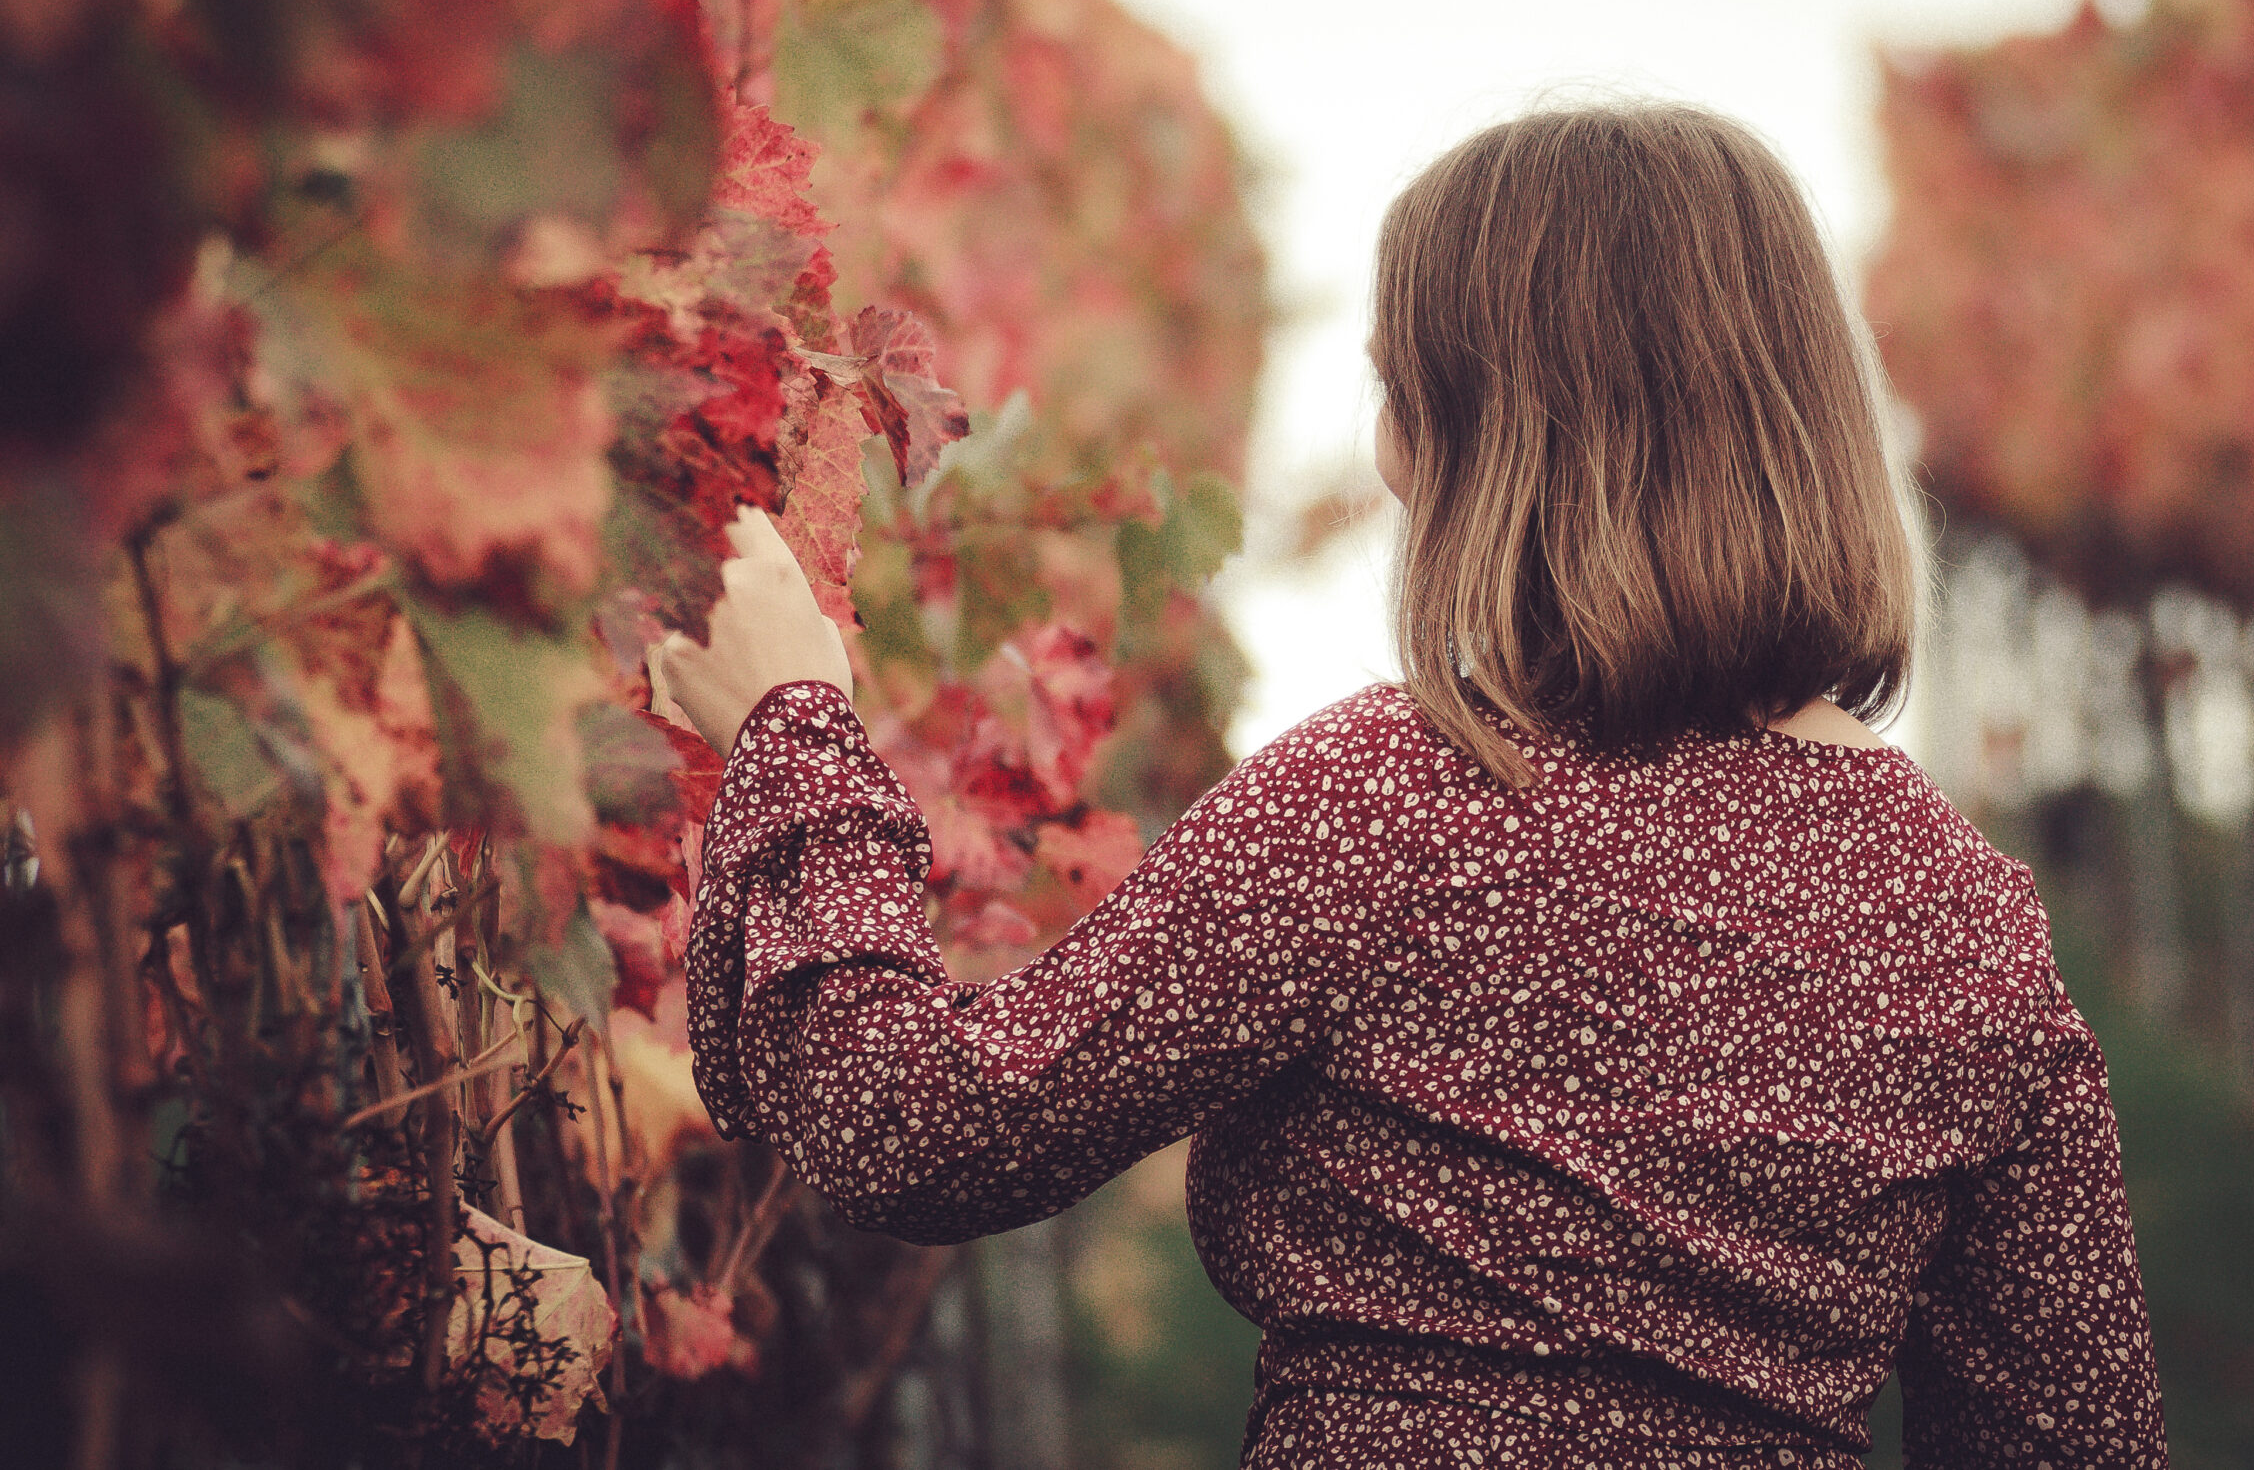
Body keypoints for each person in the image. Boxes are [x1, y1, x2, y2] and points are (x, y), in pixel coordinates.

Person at [662, 102, 2168, 1469]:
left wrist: (792, 728)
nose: (1387, 463)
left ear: (1492, 437)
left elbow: (913, 1129)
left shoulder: (1393, 801)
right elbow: (2079, 1443)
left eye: (1402, 397)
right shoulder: (1966, 918)